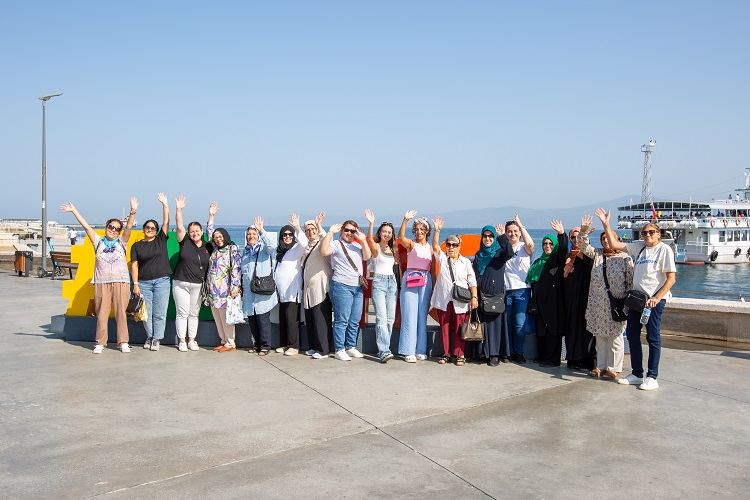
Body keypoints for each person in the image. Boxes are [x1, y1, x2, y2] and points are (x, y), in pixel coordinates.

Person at [596, 208, 676, 391]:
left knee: (652, 337)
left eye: (651, 232)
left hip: (653, 302)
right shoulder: (639, 247)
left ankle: (652, 376)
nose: (647, 235)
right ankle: (637, 374)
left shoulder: (664, 250)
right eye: (645, 232)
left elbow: (671, 278)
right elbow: (614, 244)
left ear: (658, 234)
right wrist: (606, 224)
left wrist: (657, 297)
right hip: (636, 301)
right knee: (632, 336)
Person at [60, 198, 137, 353]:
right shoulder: (98, 242)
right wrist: (74, 211)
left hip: (121, 282)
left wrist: (132, 211)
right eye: (111, 227)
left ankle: (123, 342)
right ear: (106, 227)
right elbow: (86, 226)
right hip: (101, 282)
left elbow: (128, 228)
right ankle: (100, 343)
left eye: (116, 228)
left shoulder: (122, 242)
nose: (113, 230)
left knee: (121, 313)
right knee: (102, 313)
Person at [577, 215, 633, 380]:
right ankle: (600, 366)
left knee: (615, 338)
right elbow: (583, 246)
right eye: (603, 239)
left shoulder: (625, 258)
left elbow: (630, 283)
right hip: (597, 304)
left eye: (609, 238)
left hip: (615, 304)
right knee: (600, 337)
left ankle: (614, 368)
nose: (605, 241)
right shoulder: (598, 255)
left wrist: (627, 305)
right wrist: (583, 231)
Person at [320, 219, 371, 361]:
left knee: (354, 320)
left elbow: (367, 256)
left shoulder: (356, 245)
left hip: (357, 287)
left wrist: (363, 240)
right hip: (342, 285)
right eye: (346, 230)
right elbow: (324, 251)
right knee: (341, 320)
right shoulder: (336, 244)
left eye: (352, 231)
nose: (349, 233)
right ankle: (339, 349)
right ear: (342, 231)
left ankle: (350, 346)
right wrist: (330, 232)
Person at [430, 216, 478, 367]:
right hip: (445, 299)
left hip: (461, 300)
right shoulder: (443, 260)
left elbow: (472, 281)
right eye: (449, 245)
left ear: (459, 247)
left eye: (454, 245)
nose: (450, 247)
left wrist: (474, 297)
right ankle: (446, 353)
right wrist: (437, 230)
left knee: (459, 327)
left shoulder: (465, 263)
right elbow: (436, 247)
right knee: (444, 326)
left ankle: (460, 354)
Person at [171, 196, 216, 352]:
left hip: (198, 285)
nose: (195, 233)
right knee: (182, 313)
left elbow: (213, 234)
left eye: (197, 231)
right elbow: (179, 225)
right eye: (192, 231)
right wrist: (178, 209)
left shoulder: (208, 245)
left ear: (201, 231)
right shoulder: (184, 241)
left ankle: (192, 340)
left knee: (193, 314)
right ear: (189, 233)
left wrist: (211, 215)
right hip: (181, 284)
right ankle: (182, 341)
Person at [131, 193, 171, 352]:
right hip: (143, 283)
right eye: (147, 227)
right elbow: (134, 266)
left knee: (160, 313)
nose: (150, 230)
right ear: (143, 229)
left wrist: (165, 204)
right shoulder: (137, 246)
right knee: (146, 313)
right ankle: (149, 336)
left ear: (156, 230)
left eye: (153, 228)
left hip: (162, 281)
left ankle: (157, 338)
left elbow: (166, 221)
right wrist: (135, 284)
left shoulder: (161, 240)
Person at [526, 221, 568, 367]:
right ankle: (542, 356)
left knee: (552, 331)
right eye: (545, 243)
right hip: (540, 303)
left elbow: (563, 249)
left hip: (553, 303)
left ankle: (552, 359)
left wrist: (562, 234)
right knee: (541, 331)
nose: (548, 246)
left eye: (551, 243)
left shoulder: (557, 259)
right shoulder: (538, 261)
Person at [472, 224, 514, 366]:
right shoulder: (478, 255)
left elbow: (510, 252)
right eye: (485, 236)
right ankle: (484, 352)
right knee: (483, 324)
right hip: (481, 295)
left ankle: (495, 354)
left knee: (495, 325)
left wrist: (503, 237)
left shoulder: (499, 253)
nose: (488, 239)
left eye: (491, 236)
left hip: (495, 296)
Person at [397, 210, 434, 363]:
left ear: (427, 232)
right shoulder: (411, 244)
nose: (419, 232)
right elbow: (400, 237)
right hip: (411, 279)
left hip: (426, 280)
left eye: (422, 229)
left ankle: (420, 350)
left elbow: (432, 269)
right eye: (416, 229)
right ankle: (408, 350)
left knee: (421, 316)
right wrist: (405, 220)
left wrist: (435, 287)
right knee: (409, 316)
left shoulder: (431, 248)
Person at [364, 210, 399, 363]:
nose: (386, 234)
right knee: (381, 318)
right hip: (379, 282)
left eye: (389, 232)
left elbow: (398, 268)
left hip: (393, 283)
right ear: (380, 232)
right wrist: (371, 223)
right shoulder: (376, 247)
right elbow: (370, 240)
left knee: (390, 319)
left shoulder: (394, 249)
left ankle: (385, 348)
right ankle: (383, 350)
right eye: (384, 231)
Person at [241, 217, 278, 356]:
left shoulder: (264, 249)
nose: (251, 236)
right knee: (252, 321)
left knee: (263, 321)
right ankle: (256, 344)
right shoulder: (245, 252)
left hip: (262, 292)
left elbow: (272, 246)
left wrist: (262, 230)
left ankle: (265, 346)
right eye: (249, 234)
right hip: (249, 293)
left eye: (254, 234)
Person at [274, 214, 309, 356]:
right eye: (284, 234)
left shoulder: (296, 249)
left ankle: (294, 346)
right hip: (281, 292)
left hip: (292, 291)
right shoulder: (279, 251)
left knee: (292, 320)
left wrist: (297, 227)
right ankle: (284, 344)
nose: (287, 237)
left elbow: (305, 244)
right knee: (283, 319)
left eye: (290, 234)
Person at [204, 223, 242, 352]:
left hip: (225, 290)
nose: (218, 239)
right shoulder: (215, 249)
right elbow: (209, 234)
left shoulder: (232, 248)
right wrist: (211, 217)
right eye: (216, 238)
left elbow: (236, 268)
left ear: (225, 236)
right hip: (213, 291)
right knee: (218, 318)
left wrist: (234, 287)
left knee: (226, 318)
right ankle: (223, 341)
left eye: (220, 236)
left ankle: (231, 343)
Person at [301, 212, 333, 359]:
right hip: (308, 289)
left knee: (321, 318)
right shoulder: (307, 246)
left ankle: (323, 350)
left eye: (312, 229)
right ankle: (313, 346)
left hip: (321, 287)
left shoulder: (321, 244)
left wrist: (319, 225)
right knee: (311, 318)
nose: (310, 232)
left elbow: (325, 239)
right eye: (307, 230)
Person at [504, 213, 535, 364]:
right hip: (506, 290)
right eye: (509, 231)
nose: (512, 233)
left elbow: (531, 246)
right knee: (507, 322)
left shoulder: (524, 247)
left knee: (519, 323)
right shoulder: (503, 248)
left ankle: (519, 352)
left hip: (522, 290)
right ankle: (509, 351)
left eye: (515, 231)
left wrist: (521, 225)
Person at [563, 226, 595, 370]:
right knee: (571, 327)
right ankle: (573, 358)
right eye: (572, 237)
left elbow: (593, 264)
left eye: (578, 237)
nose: (575, 240)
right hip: (570, 298)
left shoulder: (589, 254)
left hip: (586, 297)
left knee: (586, 329)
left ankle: (587, 359)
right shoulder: (566, 255)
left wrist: (579, 254)